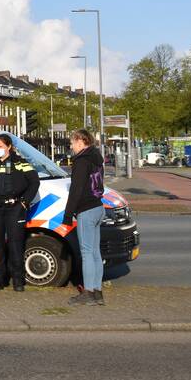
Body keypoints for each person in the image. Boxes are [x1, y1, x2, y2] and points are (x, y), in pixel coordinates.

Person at [0, 134, 40, 292]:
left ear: (9, 146)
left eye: (0, 146)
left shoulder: (19, 162)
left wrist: (24, 203)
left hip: (14, 209)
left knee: (15, 245)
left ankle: (18, 282)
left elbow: (34, 181)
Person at [62, 129, 106, 306]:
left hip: (86, 210)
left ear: (81, 141)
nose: (71, 146)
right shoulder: (96, 158)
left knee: (87, 253)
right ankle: (97, 292)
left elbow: (76, 189)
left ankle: (88, 292)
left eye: (72, 142)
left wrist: (67, 214)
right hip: (98, 207)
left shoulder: (81, 161)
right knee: (95, 252)